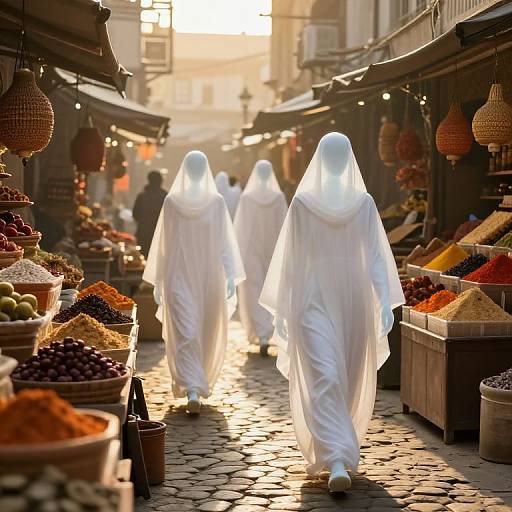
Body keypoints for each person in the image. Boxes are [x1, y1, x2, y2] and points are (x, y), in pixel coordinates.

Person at [260, 132, 404, 492]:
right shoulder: (303, 205)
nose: (338, 159)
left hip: (353, 299)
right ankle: (337, 456)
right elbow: (292, 260)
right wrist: (286, 303)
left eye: (344, 154)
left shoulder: (364, 204)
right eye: (333, 154)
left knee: (348, 375)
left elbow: (373, 257)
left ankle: (339, 447)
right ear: (324, 160)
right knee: (325, 373)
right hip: (312, 299)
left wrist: (383, 301)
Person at [143, 151, 245, 414]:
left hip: (209, 276)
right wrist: (160, 280)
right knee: (186, 331)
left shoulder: (217, 203)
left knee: (205, 330)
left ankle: (198, 381)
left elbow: (224, 242)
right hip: (179, 275)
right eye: (194, 167)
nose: (198, 171)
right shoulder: (172, 202)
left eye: (202, 166)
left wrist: (230, 275)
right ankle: (191, 387)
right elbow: (164, 245)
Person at [234, 160, 287, 356]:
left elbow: (241, 229)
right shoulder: (278, 197)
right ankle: (269, 331)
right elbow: (285, 226)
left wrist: (239, 254)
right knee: (271, 289)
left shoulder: (247, 198)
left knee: (253, 291)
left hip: (252, 251)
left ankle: (262, 334)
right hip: (273, 251)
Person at [133, 171, 167, 257]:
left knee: (144, 258)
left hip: (143, 233)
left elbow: (135, 214)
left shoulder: (142, 196)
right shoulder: (165, 197)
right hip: (160, 234)